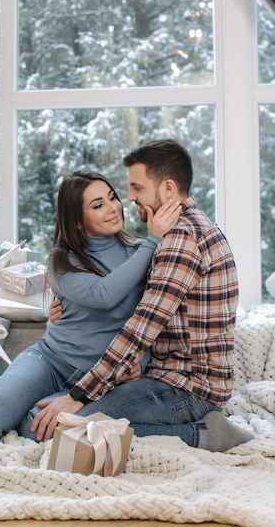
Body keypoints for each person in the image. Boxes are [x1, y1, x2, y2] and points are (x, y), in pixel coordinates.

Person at [30, 139, 254, 452]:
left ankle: (203, 434)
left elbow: (140, 328)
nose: (129, 198)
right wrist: (69, 308)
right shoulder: (189, 226)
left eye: (137, 187)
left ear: (167, 189)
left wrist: (79, 396)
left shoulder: (181, 241)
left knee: (58, 428)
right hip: (164, 376)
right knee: (51, 417)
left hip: (186, 389)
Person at [0, 170, 180, 438]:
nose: (113, 208)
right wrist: (154, 239)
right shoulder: (62, 261)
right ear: (77, 221)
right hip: (51, 361)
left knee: (40, 429)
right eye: (98, 205)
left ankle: (17, 411)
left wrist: (140, 362)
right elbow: (104, 295)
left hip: (100, 378)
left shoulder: (140, 251)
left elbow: (153, 315)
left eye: (112, 198)